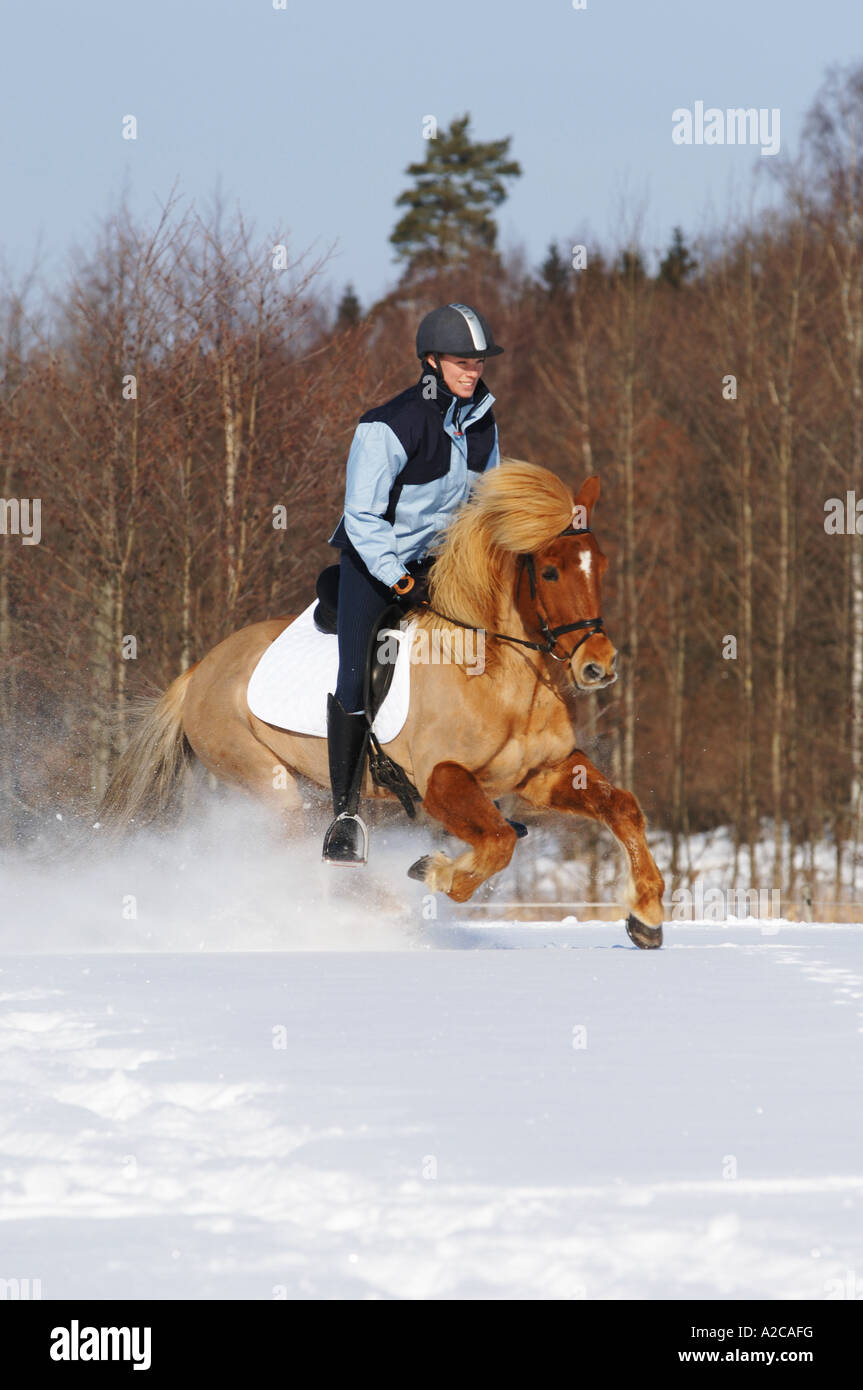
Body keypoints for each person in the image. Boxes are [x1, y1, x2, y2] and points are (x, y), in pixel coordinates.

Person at [322, 302, 504, 864]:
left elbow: (488, 500)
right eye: (459, 362)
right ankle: (345, 816)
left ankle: (493, 784)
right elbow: (362, 518)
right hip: (376, 566)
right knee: (356, 671)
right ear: (431, 362)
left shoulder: (483, 420)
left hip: (443, 564)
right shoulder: (388, 423)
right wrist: (400, 580)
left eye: (477, 362)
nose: (471, 372)